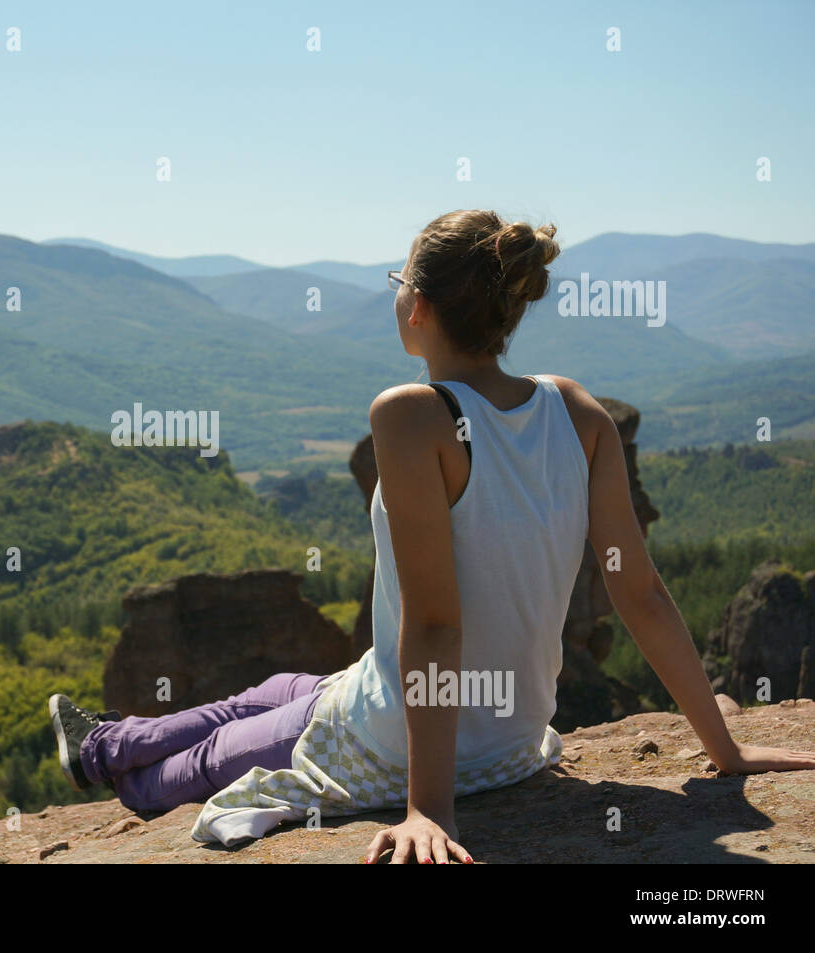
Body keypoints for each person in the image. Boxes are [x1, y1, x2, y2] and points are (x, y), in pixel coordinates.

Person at [49, 209, 815, 863]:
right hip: (516, 735)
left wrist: (430, 808)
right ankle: (103, 742)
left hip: (411, 747)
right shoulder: (580, 414)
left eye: (397, 282)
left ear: (417, 305)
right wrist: (727, 751)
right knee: (283, 691)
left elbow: (438, 623)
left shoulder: (412, 415)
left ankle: (118, 769)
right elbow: (641, 593)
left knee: (221, 755)